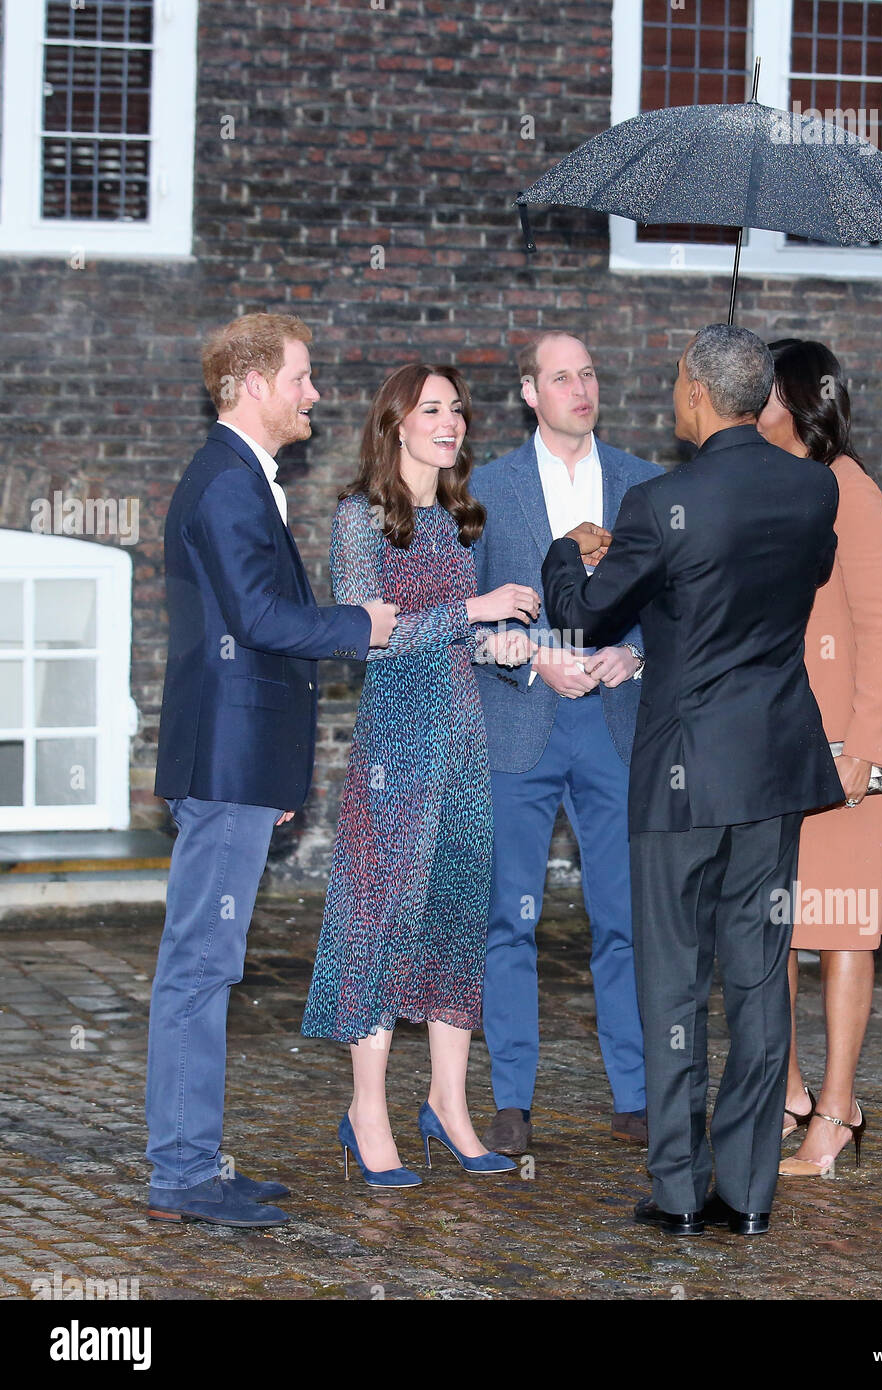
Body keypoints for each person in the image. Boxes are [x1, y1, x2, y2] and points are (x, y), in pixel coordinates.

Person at [542, 324, 844, 1237]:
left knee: (673, 983)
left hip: (678, 779)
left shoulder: (658, 503)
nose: (673, 396)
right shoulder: (813, 489)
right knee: (758, 978)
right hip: (772, 772)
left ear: (702, 398)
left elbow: (588, 619)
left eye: (678, 383)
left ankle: (677, 1192)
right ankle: (748, 1193)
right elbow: (789, 580)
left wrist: (570, 550)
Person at [148, 313, 397, 1228]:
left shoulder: (240, 479)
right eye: (303, 377)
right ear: (253, 384)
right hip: (225, 760)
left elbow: (245, 629)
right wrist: (361, 623)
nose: (315, 395)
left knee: (207, 966)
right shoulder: (226, 482)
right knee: (199, 968)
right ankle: (179, 1174)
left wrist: (275, 771)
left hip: (237, 761)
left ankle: (192, 1163)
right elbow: (258, 619)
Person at [302, 363, 536, 1186]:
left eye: (458, 409)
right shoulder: (363, 519)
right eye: (431, 409)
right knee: (380, 922)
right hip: (396, 752)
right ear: (396, 423)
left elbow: (453, 641)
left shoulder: (460, 521)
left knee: (454, 924)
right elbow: (371, 636)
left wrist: (502, 646)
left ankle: (448, 1103)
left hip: (464, 747)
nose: (450, 421)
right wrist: (476, 611)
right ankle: (367, 1113)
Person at [468, 330, 661, 1156]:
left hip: (615, 725)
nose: (580, 388)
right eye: (561, 376)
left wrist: (636, 654)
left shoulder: (646, 486)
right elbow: (459, 621)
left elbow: (675, 606)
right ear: (528, 392)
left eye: (589, 373)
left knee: (623, 917)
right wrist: (531, 659)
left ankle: (638, 1094)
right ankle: (511, 1098)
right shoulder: (483, 488)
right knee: (510, 919)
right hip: (521, 723)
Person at [757, 338, 882, 1177]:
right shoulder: (775, 489)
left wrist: (855, 745)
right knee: (772, 927)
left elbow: (880, 628)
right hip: (781, 744)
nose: (755, 406)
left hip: (851, 747)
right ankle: (787, 1092)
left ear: (800, 401)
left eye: (766, 394)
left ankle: (838, 1113)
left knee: (845, 929)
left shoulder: (851, 490)